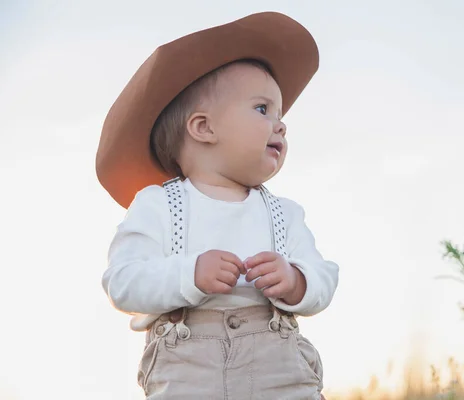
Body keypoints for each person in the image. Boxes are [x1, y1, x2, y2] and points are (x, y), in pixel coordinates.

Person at [96, 11, 339, 399]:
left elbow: (324, 277)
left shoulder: (286, 213)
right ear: (203, 128)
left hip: (278, 368)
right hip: (189, 369)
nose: (281, 125)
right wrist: (188, 274)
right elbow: (122, 282)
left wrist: (296, 280)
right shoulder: (158, 205)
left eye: (280, 114)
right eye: (263, 109)